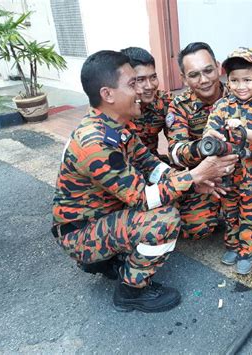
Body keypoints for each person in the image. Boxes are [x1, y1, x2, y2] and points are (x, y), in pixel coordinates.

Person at [51, 50, 238, 313]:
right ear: (107, 94)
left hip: (104, 215)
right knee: (164, 218)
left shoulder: (116, 127)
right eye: (132, 84)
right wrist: (194, 175)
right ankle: (131, 291)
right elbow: (142, 198)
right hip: (80, 232)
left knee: (174, 191)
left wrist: (191, 182)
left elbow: (150, 166)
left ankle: (107, 260)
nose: (141, 90)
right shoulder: (95, 142)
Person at [166, 42, 252, 241]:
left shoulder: (240, 88)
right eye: (194, 75)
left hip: (249, 165)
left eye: (208, 71)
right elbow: (176, 152)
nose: (203, 80)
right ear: (184, 79)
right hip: (207, 173)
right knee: (196, 226)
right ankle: (228, 220)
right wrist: (204, 149)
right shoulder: (179, 107)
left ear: (218, 67)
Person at [203, 47, 252, 274]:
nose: (240, 86)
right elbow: (210, 129)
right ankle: (232, 245)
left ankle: (248, 251)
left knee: (250, 213)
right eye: (234, 80)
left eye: (247, 79)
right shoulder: (222, 106)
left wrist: (243, 130)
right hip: (228, 174)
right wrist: (210, 135)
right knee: (230, 212)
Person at [120, 46, 174, 161]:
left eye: (153, 77)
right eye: (140, 80)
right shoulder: (115, 107)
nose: (149, 86)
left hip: (151, 164)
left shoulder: (164, 102)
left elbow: (177, 140)